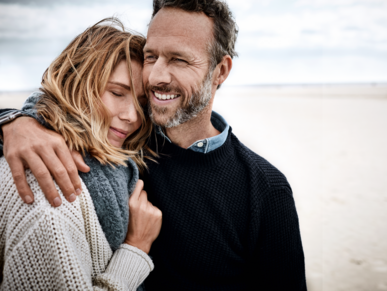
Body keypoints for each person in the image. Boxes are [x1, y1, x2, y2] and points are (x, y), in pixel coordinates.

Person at [0, 0, 307, 290]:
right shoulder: (117, 141)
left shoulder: (265, 190)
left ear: (221, 71)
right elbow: (71, 105)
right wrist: (17, 122)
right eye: (151, 56)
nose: (156, 76)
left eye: (179, 59)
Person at [0, 18, 162, 290]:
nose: (132, 117)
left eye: (142, 103)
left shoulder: (116, 162)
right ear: (76, 82)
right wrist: (136, 249)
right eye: (117, 92)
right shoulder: (50, 189)